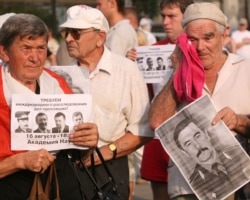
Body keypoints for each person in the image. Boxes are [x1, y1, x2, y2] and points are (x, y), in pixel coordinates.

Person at [149, 2, 250, 200]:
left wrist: (238, 121)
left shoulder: (245, 69)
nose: (200, 47)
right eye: (192, 40)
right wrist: (178, 70)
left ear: (223, 37)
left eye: (208, 37)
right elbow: (156, 122)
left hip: (241, 187)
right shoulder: (176, 74)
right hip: (188, 189)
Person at [0, 13, 98, 199]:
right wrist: (19, 161)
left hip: (59, 184)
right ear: (4, 52)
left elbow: (80, 153)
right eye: (26, 48)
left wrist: (89, 142)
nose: (35, 58)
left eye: (41, 48)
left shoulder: (56, 82)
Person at [59, 5, 153, 199]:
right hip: (68, 168)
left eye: (76, 33)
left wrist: (106, 151)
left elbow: (142, 130)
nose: (68, 38)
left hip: (110, 166)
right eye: (65, 32)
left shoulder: (127, 71)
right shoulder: (60, 76)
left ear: (100, 37)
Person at [139, 1, 194, 200]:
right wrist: (133, 66)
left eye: (171, 16)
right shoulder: (152, 50)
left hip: (188, 135)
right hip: (157, 136)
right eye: (163, 16)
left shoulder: (198, 48)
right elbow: (146, 96)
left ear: (186, 16)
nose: (165, 22)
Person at [174, 119, 249, 200]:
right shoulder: (195, 184)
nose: (198, 146)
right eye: (188, 144)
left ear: (206, 134)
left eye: (197, 136)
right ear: (185, 153)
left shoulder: (238, 154)